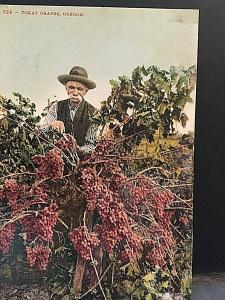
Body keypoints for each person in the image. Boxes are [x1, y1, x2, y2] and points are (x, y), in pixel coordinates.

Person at [42, 66, 98, 153]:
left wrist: (78, 149)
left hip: (81, 161)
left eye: (79, 89)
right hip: (56, 157)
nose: (75, 93)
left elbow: (91, 145)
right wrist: (52, 125)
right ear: (66, 88)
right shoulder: (56, 107)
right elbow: (42, 132)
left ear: (86, 91)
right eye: (71, 87)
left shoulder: (93, 113)